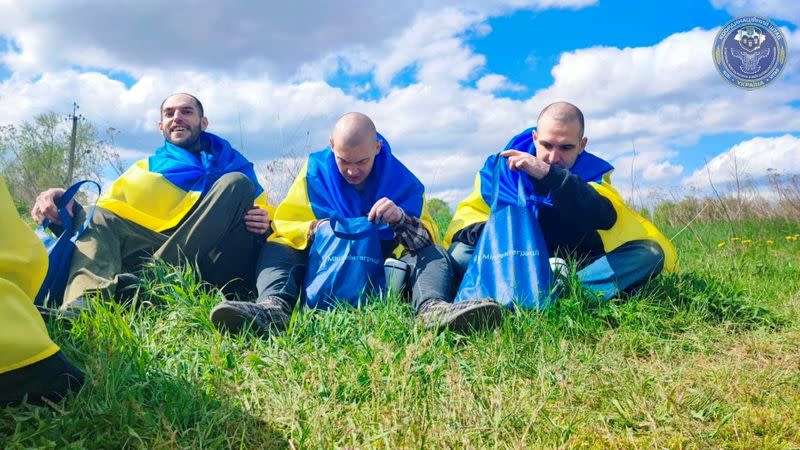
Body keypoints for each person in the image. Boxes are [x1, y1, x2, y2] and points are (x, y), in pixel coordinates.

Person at [209, 112, 502, 334]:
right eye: (343, 160)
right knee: (279, 247)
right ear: (331, 146)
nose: (351, 170)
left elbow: (428, 239)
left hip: (383, 267)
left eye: (361, 162)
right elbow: (285, 224)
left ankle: (432, 310)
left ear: (376, 147)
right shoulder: (314, 172)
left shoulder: (402, 180)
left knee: (433, 255)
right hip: (323, 260)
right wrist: (316, 228)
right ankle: (274, 308)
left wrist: (400, 219)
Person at [30, 93, 273, 315]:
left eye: (186, 112)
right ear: (161, 127)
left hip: (217, 260)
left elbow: (276, 224)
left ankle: (144, 283)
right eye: (169, 114)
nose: (177, 117)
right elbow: (100, 212)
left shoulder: (235, 165)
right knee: (100, 216)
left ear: (203, 122)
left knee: (236, 183)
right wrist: (61, 195)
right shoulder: (146, 169)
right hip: (157, 248)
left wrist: (267, 224)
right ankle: (84, 306)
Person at [445, 102, 677, 301]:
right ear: (535, 138)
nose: (555, 157)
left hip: (578, 263)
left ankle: (555, 293)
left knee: (648, 254)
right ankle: (552, 294)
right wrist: (507, 230)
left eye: (566, 147)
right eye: (546, 145)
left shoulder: (593, 173)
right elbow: (466, 228)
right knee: (458, 254)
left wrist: (548, 174)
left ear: (582, 144)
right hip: (515, 261)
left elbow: (605, 217)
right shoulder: (498, 171)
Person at [1, 176, 84, 406]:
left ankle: (84, 303)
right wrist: (65, 198)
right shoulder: (143, 169)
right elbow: (105, 207)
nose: (174, 135)